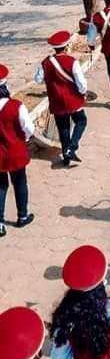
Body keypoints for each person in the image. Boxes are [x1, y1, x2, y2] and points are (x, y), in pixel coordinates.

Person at [35, 30, 87, 166]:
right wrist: (83, 93)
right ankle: (72, 147)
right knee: (81, 121)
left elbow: (38, 79)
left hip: (56, 101)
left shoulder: (46, 62)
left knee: (63, 128)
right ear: (66, 46)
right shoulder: (72, 62)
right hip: (73, 100)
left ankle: (66, 157)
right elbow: (82, 84)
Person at [0, 64, 34, 236]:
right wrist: (25, 139)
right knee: (20, 183)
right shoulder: (16, 106)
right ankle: (22, 216)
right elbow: (28, 128)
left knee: (0, 186)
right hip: (15, 152)